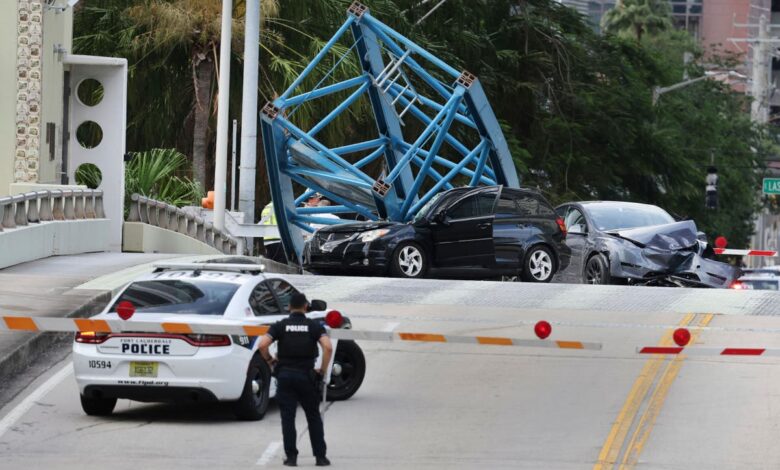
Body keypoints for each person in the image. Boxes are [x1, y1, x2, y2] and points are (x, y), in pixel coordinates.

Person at [259, 293, 333, 467]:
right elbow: (328, 347)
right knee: (313, 416)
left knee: (288, 418)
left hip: (285, 376)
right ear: (306, 307)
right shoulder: (313, 326)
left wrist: (270, 361)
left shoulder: (280, 326)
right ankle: (320, 457)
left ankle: (291, 457)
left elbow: (262, 344)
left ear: (289, 307)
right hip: (307, 376)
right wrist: (321, 371)